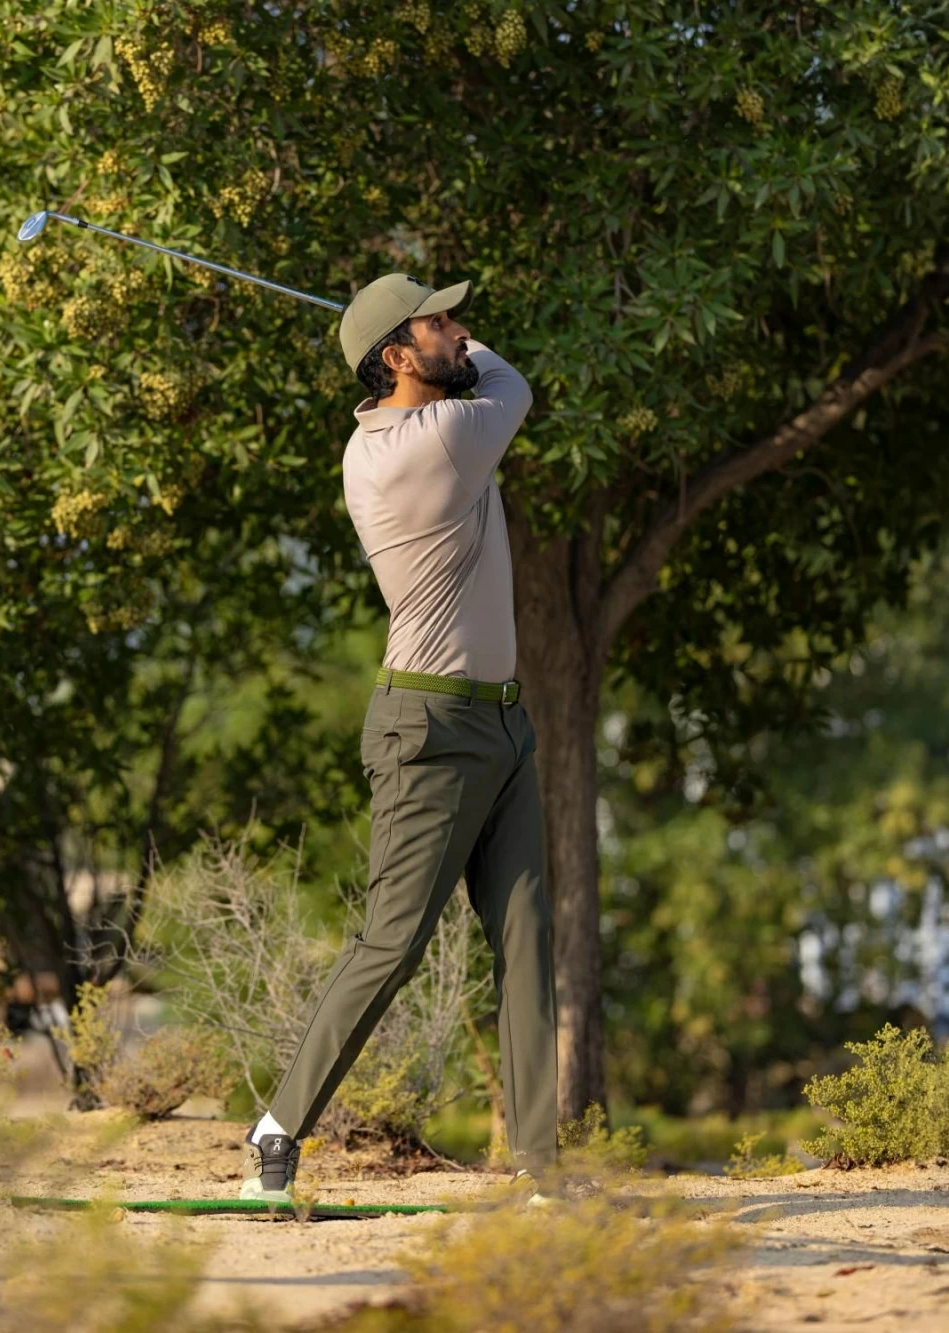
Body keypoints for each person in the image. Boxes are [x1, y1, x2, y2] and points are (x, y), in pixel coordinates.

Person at [240, 274, 558, 1204]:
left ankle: (538, 1167)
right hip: (431, 728)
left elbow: (476, 374)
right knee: (393, 939)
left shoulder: (400, 427)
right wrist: (467, 356)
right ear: (394, 357)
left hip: (502, 718)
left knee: (529, 934)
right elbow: (513, 384)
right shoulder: (437, 441)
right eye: (441, 321)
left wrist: (431, 341)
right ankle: (277, 1125)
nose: (463, 332)